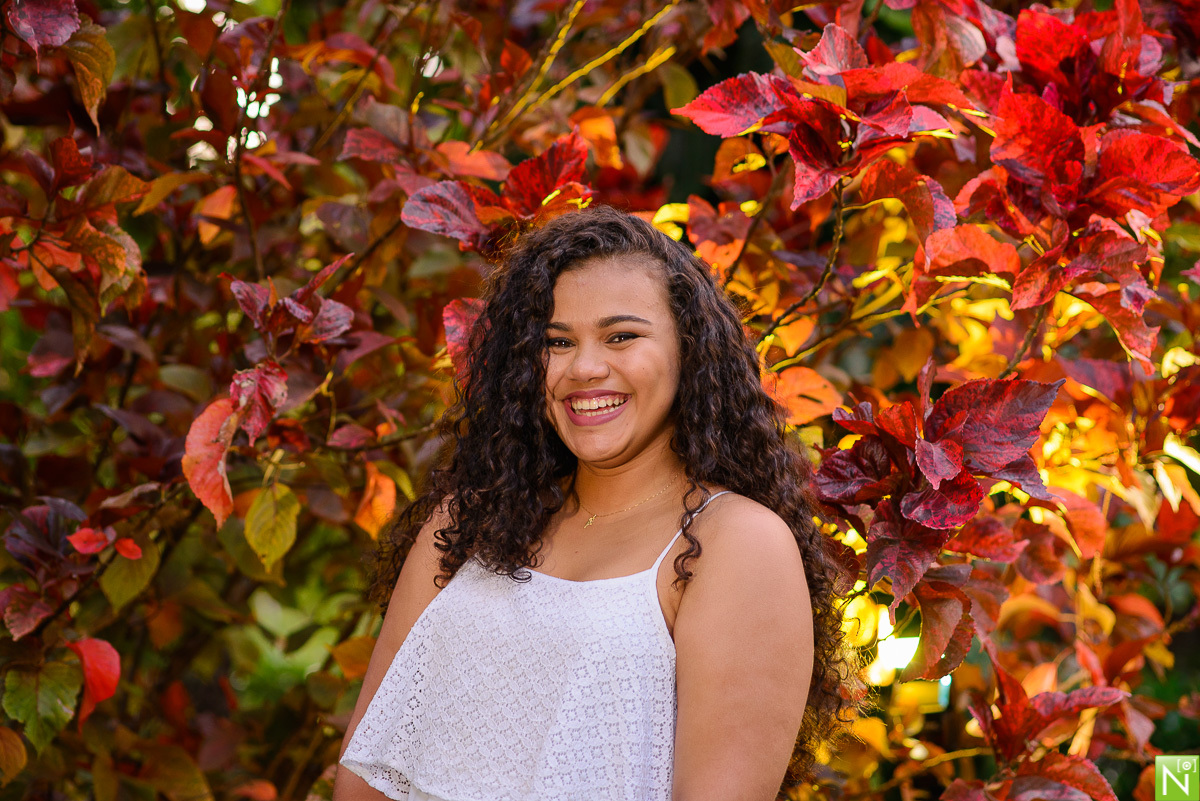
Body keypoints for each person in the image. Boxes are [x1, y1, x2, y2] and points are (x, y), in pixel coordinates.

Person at [333, 206, 856, 801]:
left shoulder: (735, 542)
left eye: (621, 336)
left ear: (689, 351)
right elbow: (364, 774)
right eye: (557, 342)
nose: (584, 368)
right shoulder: (468, 521)